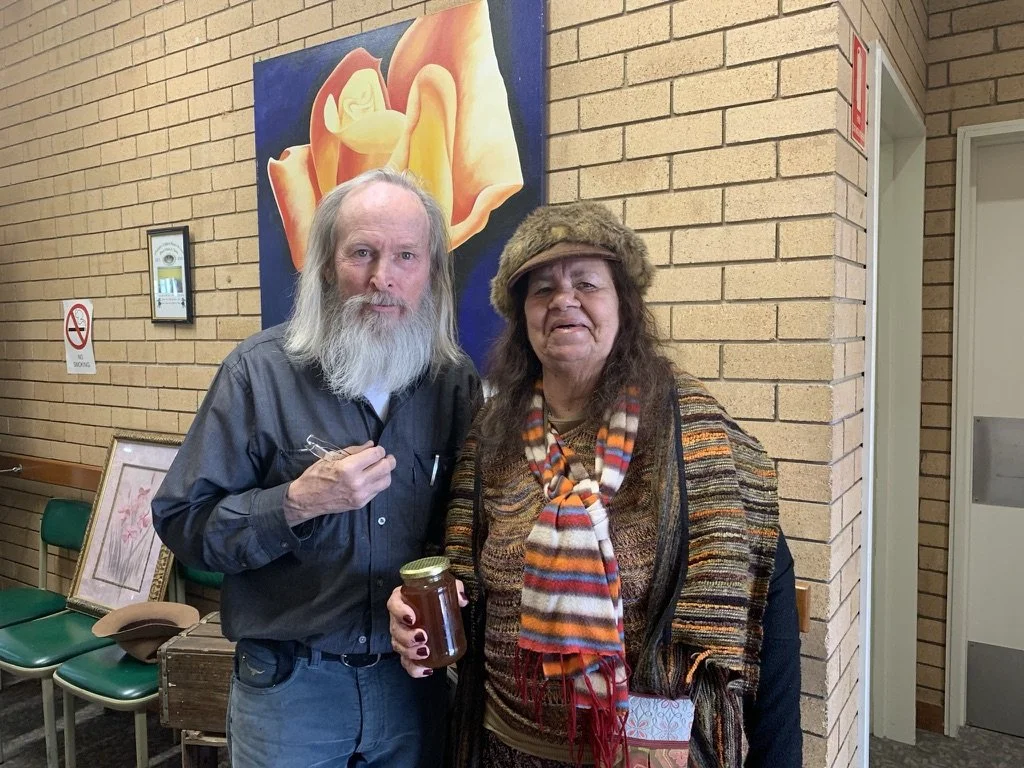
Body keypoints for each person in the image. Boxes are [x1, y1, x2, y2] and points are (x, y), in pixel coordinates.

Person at [388, 201, 802, 768]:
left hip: (650, 755)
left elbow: (763, 582)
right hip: (508, 749)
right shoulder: (491, 434)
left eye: (588, 283)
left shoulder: (689, 429)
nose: (565, 300)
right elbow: (459, 577)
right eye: (542, 289)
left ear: (624, 307)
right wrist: (415, 616)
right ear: (522, 316)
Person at [153, 167, 480, 768]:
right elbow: (182, 523)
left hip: (411, 687)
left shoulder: (453, 384)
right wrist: (295, 503)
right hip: (290, 692)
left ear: (430, 273)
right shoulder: (257, 375)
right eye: (363, 253)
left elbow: (464, 527)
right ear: (327, 265)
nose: (383, 278)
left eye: (406, 255)